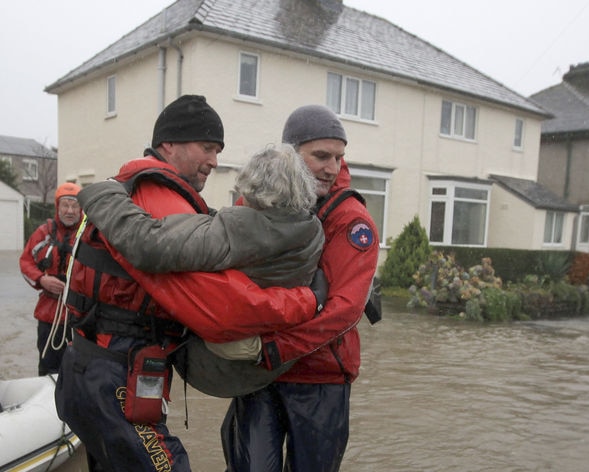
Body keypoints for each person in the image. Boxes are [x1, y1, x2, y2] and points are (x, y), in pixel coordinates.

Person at [54, 95, 325, 472]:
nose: (214, 161)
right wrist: (307, 301)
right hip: (116, 371)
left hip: (88, 365)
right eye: (207, 148)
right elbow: (221, 310)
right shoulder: (160, 195)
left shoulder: (132, 184)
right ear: (169, 145)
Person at [76, 144, 325, 396]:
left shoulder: (242, 230)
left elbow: (149, 245)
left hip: (220, 367)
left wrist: (102, 195)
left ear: (254, 190)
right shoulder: (312, 229)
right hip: (273, 361)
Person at [222, 104, 380, 471]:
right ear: (290, 154)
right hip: (260, 374)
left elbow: (346, 310)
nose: (332, 167)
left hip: (320, 377)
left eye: (338, 157)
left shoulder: (351, 220)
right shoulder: (255, 205)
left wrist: (278, 348)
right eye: (321, 156)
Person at [19, 182, 83, 375]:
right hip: (49, 316)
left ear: (81, 209)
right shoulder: (43, 233)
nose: (70, 210)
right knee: (48, 369)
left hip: (78, 318)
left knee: (77, 372)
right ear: (58, 207)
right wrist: (42, 279)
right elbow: (25, 263)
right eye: (66, 205)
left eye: (75, 205)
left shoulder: (88, 235)